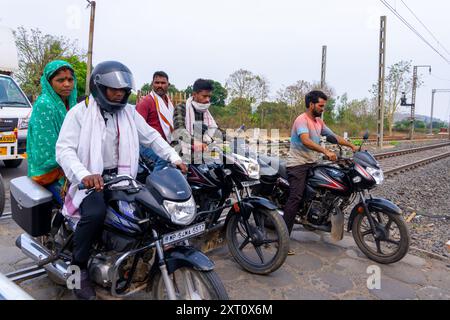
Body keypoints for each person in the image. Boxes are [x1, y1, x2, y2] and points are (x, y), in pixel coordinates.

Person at [56, 61, 186, 300]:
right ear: (98, 88)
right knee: (94, 214)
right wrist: (84, 175)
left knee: (147, 212)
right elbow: (64, 150)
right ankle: (79, 270)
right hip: (89, 179)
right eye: (113, 89)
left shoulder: (128, 112)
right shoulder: (80, 112)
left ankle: (138, 255)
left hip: (124, 177)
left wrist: (174, 158)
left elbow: (151, 137)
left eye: (123, 90)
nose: (119, 94)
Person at [283, 90, 358, 255]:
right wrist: (325, 151)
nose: (323, 109)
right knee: (295, 198)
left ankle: (315, 215)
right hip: (298, 165)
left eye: (324, 106)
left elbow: (333, 136)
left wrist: (351, 146)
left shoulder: (318, 122)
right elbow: (305, 140)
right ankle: (283, 240)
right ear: (311, 104)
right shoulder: (301, 120)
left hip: (312, 163)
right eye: (321, 105)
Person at [27, 60, 77, 204]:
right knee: (76, 208)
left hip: (72, 166)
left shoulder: (72, 103)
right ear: (49, 82)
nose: (67, 84)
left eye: (70, 79)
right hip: (51, 172)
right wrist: (73, 164)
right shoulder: (45, 104)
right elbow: (46, 150)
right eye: (60, 80)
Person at [173, 79, 218, 163]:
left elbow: (213, 128)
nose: (207, 99)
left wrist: (230, 137)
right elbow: (179, 130)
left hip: (201, 150)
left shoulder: (205, 110)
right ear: (194, 94)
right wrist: (195, 142)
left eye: (209, 96)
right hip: (181, 151)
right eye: (204, 96)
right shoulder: (182, 107)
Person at [136, 71, 174, 171]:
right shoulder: (146, 102)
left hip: (165, 143)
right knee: (164, 158)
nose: (160, 85)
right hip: (148, 144)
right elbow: (137, 128)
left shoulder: (169, 102)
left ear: (168, 85)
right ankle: (154, 184)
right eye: (157, 83)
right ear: (152, 84)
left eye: (163, 83)